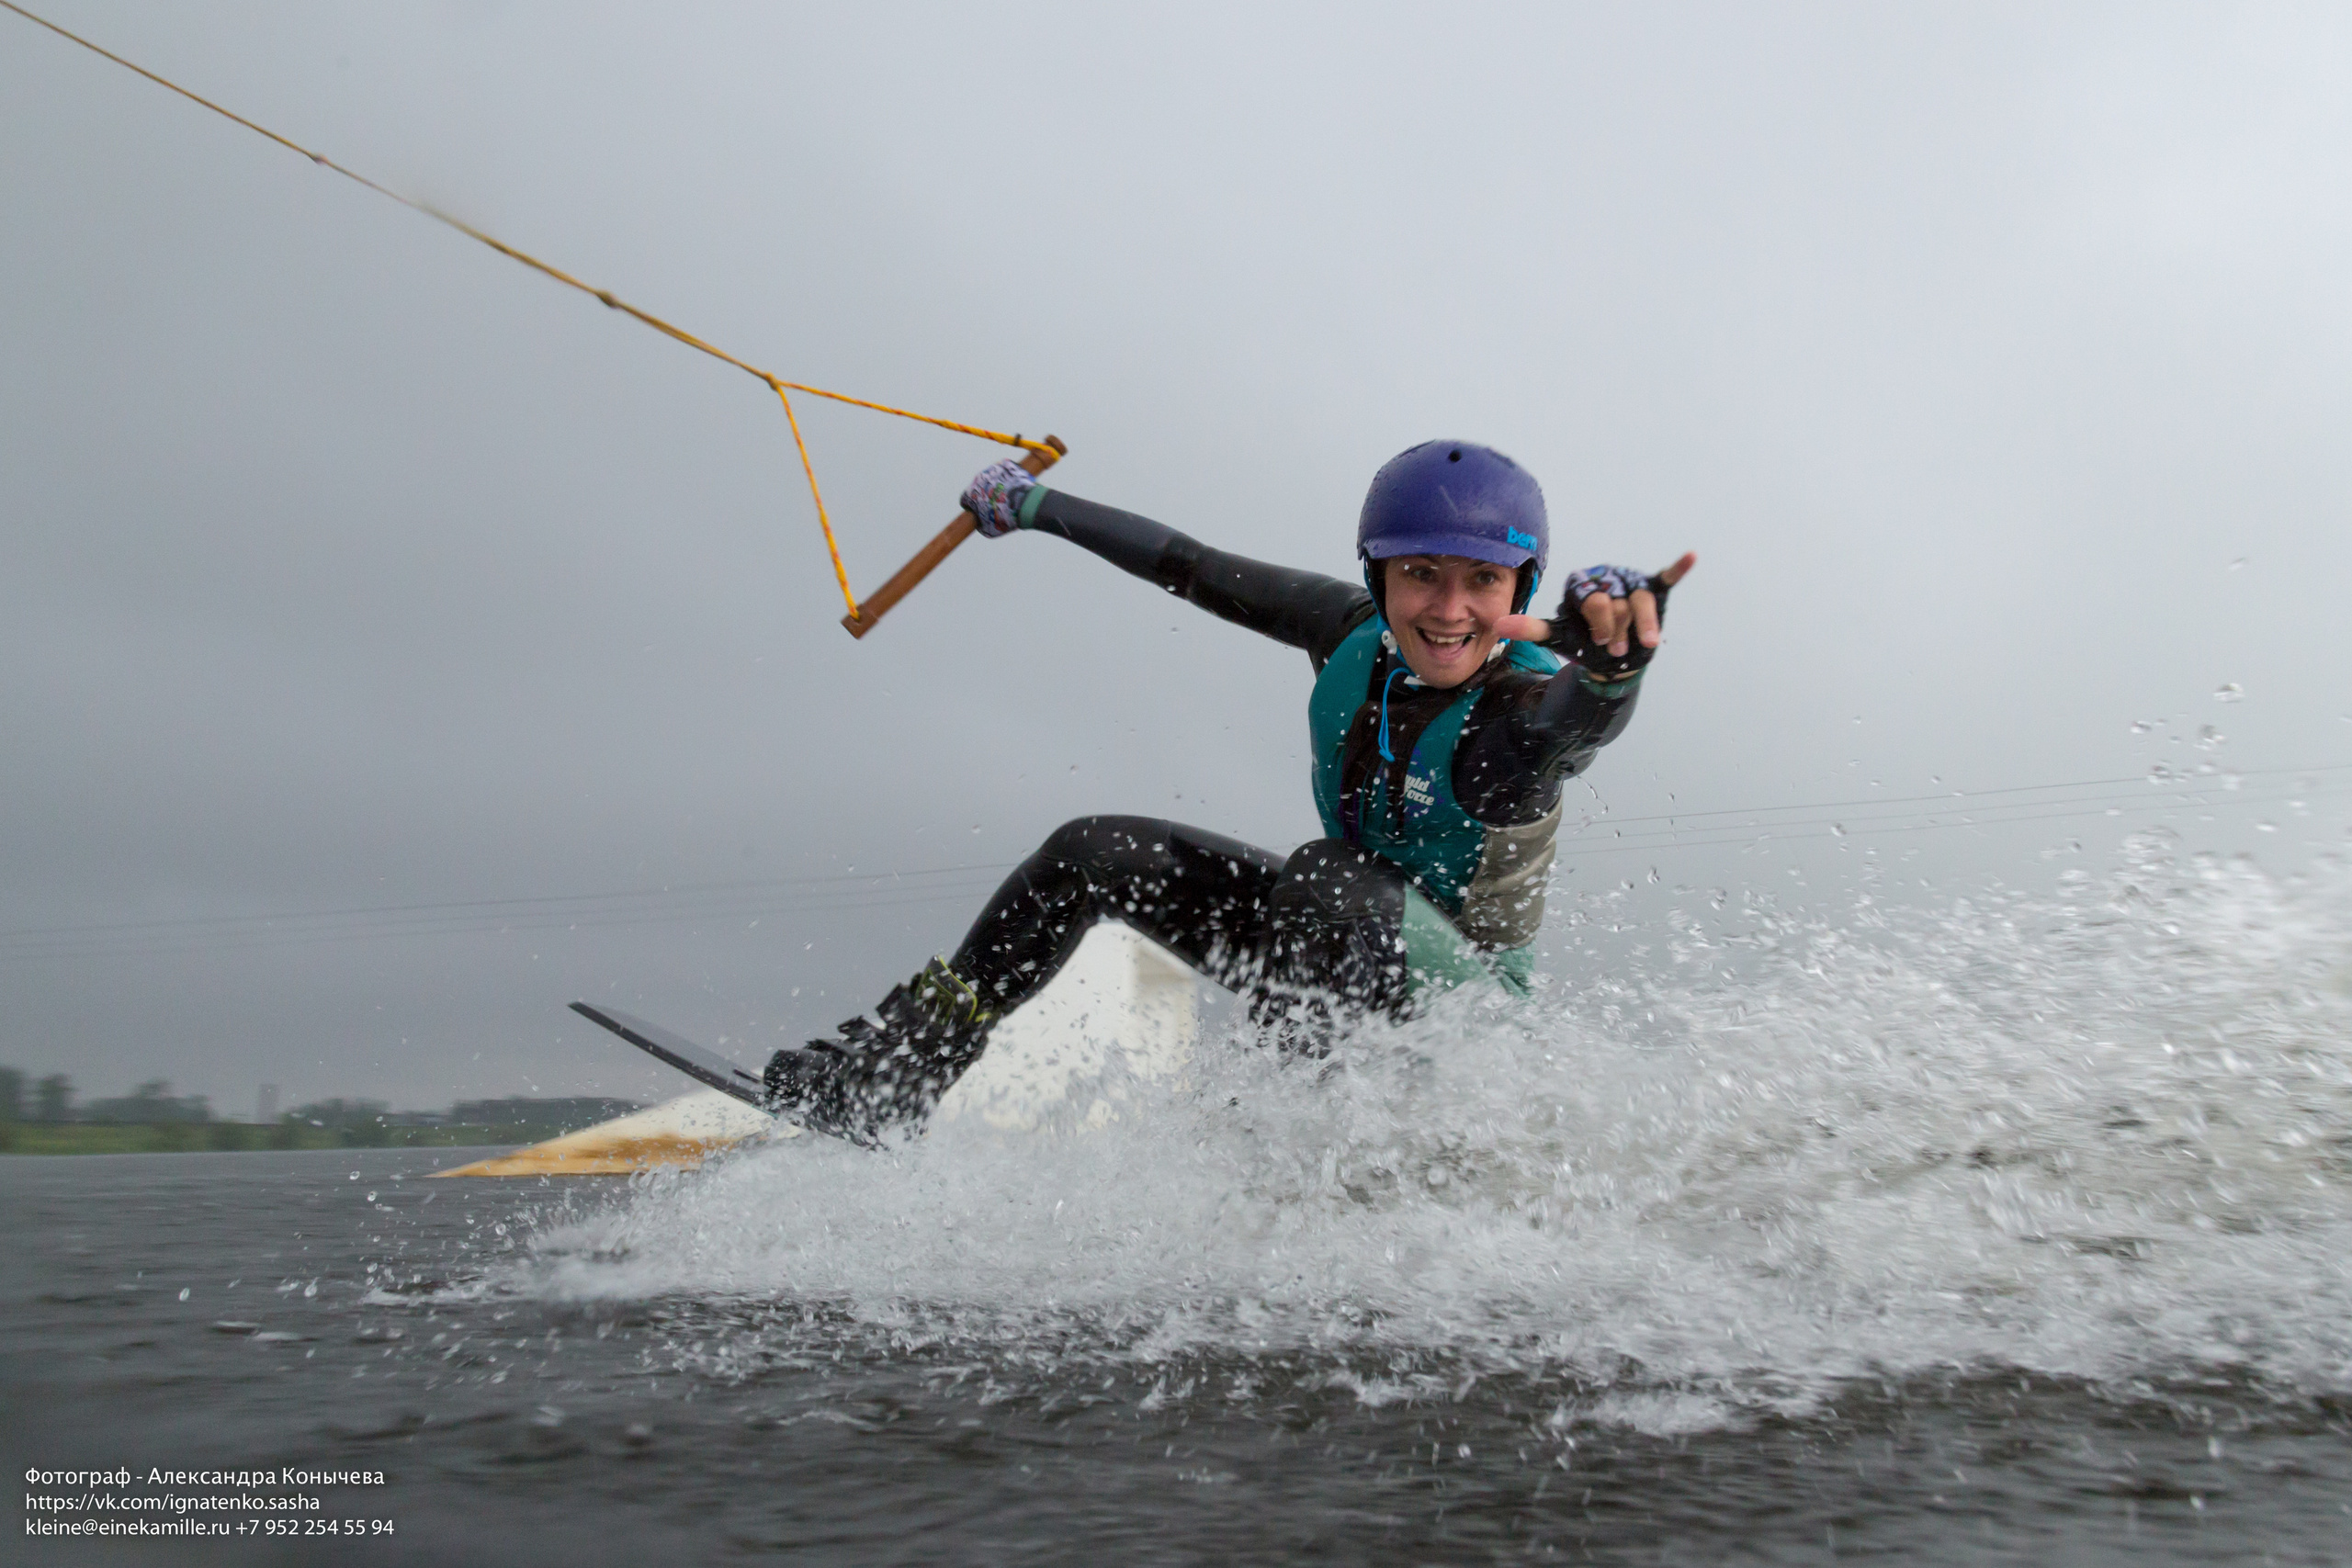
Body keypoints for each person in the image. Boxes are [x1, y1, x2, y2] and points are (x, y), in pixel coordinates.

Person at [763, 440, 1694, 1143]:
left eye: (1482, 583)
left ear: (1521, 590)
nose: (1448, 612)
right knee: (1096, 851)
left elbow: (1571, 727)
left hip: (1465, 1029)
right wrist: (1036, 505)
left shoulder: (1510, 720)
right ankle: (900, 1076)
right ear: (1378, 575)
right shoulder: (1344, 629)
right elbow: (1191, 566)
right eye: (1420, 576)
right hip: (1328, 938)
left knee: (1327, 875)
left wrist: (1615, 672)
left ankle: (1279, 1160)